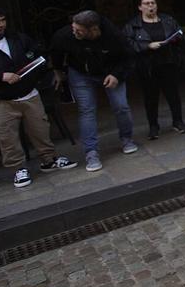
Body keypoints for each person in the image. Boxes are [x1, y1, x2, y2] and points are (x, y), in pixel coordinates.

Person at [0, 3, 76, 186]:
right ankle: (18, 169)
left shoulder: (17, 37)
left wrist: (34, 72)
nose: (1, 24)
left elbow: (38, 54)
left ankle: (49, 159)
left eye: (3, 20)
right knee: (7, 137)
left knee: (40, 129)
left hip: (29, 93)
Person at [49, 10, 136, 173]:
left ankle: (127, 138)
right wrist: (58, 71)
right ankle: (91, 152)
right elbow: (56, 51)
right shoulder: (65, 35)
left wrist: (116, 75)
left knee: (121, 106)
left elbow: (129, 57)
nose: (74, 32)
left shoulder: (113, 35)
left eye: (79, 30)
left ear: (94, 30)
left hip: (110, 70)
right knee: (86, 110)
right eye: (73, 28)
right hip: (81, 73)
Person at [122, 0, 185, 140]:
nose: (150, 6)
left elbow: (181, 33)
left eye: (153, 3)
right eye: (146, 3)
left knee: (173, 94)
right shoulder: (133, 25)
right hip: (147, 66)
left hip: (168, 61)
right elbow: (127, 44)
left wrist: (176, 39)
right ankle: (153, 126)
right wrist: (147, 46)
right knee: (150, 97)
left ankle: (178, 121)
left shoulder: (168, 20)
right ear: (140, 7)